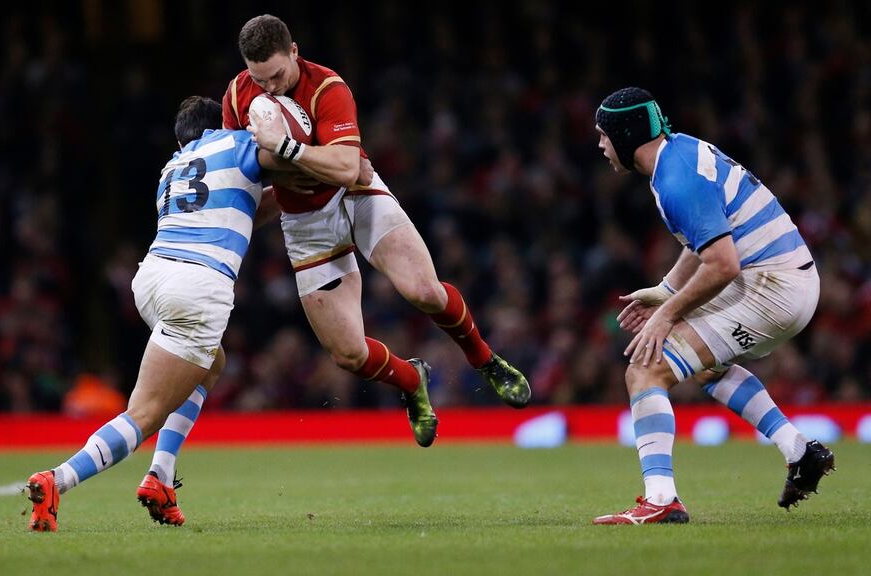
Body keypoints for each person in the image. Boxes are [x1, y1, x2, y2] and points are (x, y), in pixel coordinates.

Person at [224, 14, 532, 448]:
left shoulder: (329, 88)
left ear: (294, 51)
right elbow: (247, 176)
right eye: (260, 78)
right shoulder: (238, 96)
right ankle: (412, 381)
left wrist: (285, 150)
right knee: (346, 354)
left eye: (276, 75)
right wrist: (297, 167)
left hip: (358, 196)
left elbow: (349, 169)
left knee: (422, 290)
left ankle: (484, 359)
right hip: (305, 223)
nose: (269, 88)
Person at [25, 96, 290, 531]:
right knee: (144, 414)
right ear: (219, 125)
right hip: (198, 285)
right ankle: (58, 479)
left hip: (151, 279)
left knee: (210, 362)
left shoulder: (171, 168)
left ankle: (161, 476)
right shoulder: (236, 143)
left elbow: (239, 209)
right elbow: (283, 159)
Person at [590, 87, 836, 525]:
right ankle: (799, 451)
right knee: (704, 368)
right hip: (783, 277)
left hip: (770, 287)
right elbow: (708, 239)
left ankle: (661, 500)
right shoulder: (679, 154)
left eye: (605, 135)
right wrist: (667, 290)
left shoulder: (674, 180)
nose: (601, 145)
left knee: (647, 368)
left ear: (626, 137)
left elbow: (722, 264)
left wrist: (666, 314)